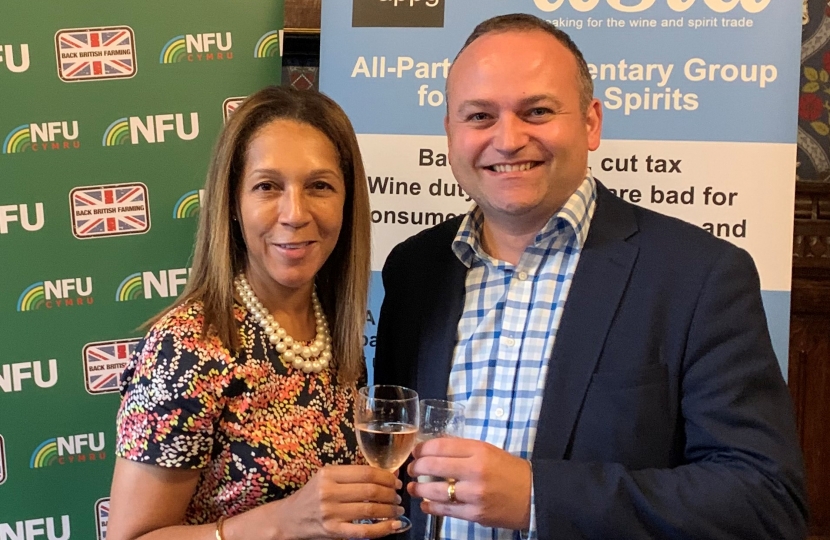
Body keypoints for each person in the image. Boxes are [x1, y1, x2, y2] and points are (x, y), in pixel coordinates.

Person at [373, 14, 808, 540]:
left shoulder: (700, 276)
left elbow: (765, 500)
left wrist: (538, 497)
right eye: (480, 116)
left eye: (537, 111)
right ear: (450, 131)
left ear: (591, 122)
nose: (508, 139)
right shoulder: (415, 269)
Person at [108, 86, 405, 540]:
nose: (295, 213)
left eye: (320, 186)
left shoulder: (333, 332)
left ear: (347, 202)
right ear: (233, 203)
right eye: (268, 186)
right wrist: (282, 522)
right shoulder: (188, 345)